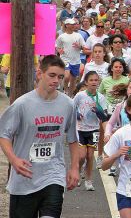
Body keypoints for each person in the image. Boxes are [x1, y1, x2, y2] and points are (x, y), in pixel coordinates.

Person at [0, 55, 79, 218]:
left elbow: (72, 139)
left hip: (53, 175)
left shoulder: (68, 104)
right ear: (39, 74)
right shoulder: (22, 104)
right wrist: (13, 159)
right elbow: (3, 134)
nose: (56, 80)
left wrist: (74, 168)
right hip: (25, 179)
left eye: (60, 77)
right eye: (52, 75)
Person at [74, 71, 108, 191]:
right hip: (80, 129)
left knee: (89, 156)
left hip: (94, 130)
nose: (94, 82)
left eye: (96, 80)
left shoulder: (101, 97)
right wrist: (77, 114)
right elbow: (72, 108)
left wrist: (98, 111)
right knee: (82, 155)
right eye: (91, 80)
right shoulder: (80, 96)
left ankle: (88, 180)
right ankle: (77, 173)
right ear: (86, 82)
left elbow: (104, 116)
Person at [56, 18, 88, 96]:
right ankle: (65, 91)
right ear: (67, 25)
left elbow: (84, 48)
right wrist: (59, 50)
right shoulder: (62, 36)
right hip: (65, 60)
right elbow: (57, 46)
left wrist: (79, 46)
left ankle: (70, 96)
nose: (74, 25)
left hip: (76, 60)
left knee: (73, 80)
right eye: (72, 24)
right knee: (66, 77)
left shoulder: (78, 35)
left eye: (75, 24)